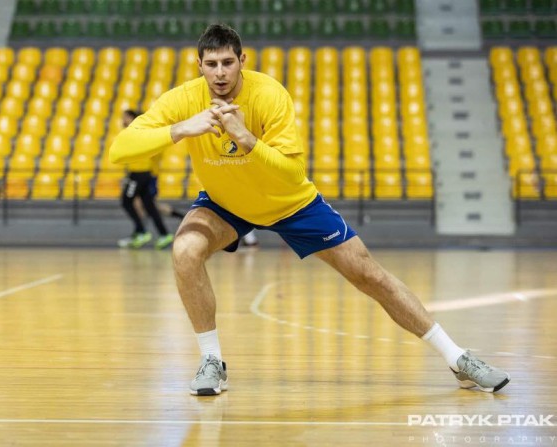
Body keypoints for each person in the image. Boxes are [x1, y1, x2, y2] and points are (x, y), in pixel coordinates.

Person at [109, 24, 510, 395]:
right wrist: (182, 128)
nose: (220, 73)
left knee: (370, 275)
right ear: (199, 66)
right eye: (211, 64)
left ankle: (458, 358)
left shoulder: (269, 95)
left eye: (228, 62)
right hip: (225, 204)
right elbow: (120, 148)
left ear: (242, 61)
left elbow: (290, 173)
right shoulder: (184, 99)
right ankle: (212, 360)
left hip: (291, 203)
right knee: (184, 251)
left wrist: (248, 139)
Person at [116, 109, 174, 250]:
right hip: (143, 173)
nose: (123, 120)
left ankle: (141, 231)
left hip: (139, 174)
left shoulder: (137, 131)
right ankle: (164, 234)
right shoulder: (138, 132)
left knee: (126, 201)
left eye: (125, 117)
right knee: (149, 205)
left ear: (132, 118)